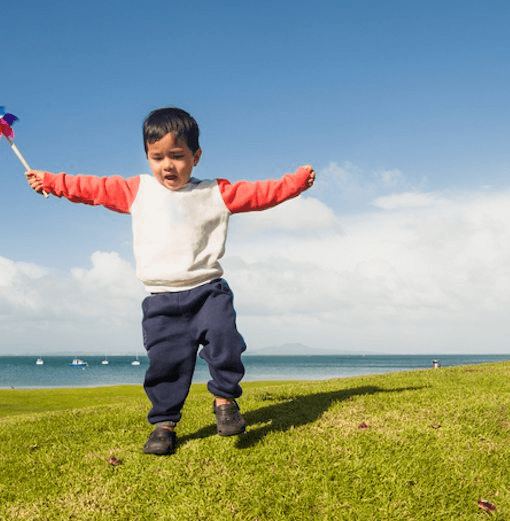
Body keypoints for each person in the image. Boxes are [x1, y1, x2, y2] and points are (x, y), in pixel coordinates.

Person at [26, 107, 315, 455]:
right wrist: (51, 182)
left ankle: (224, 402)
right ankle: (164, 426)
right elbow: (92, 188)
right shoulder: (137, 190)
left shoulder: (215, 192)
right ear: (147, 156)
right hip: (161, 299)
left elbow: (260, 194)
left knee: (225, 342)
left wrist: (295, 183)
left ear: (196, 156)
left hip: (208, 292)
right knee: (166, 365)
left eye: (177, 156)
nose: (167, 166)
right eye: (157, 157)